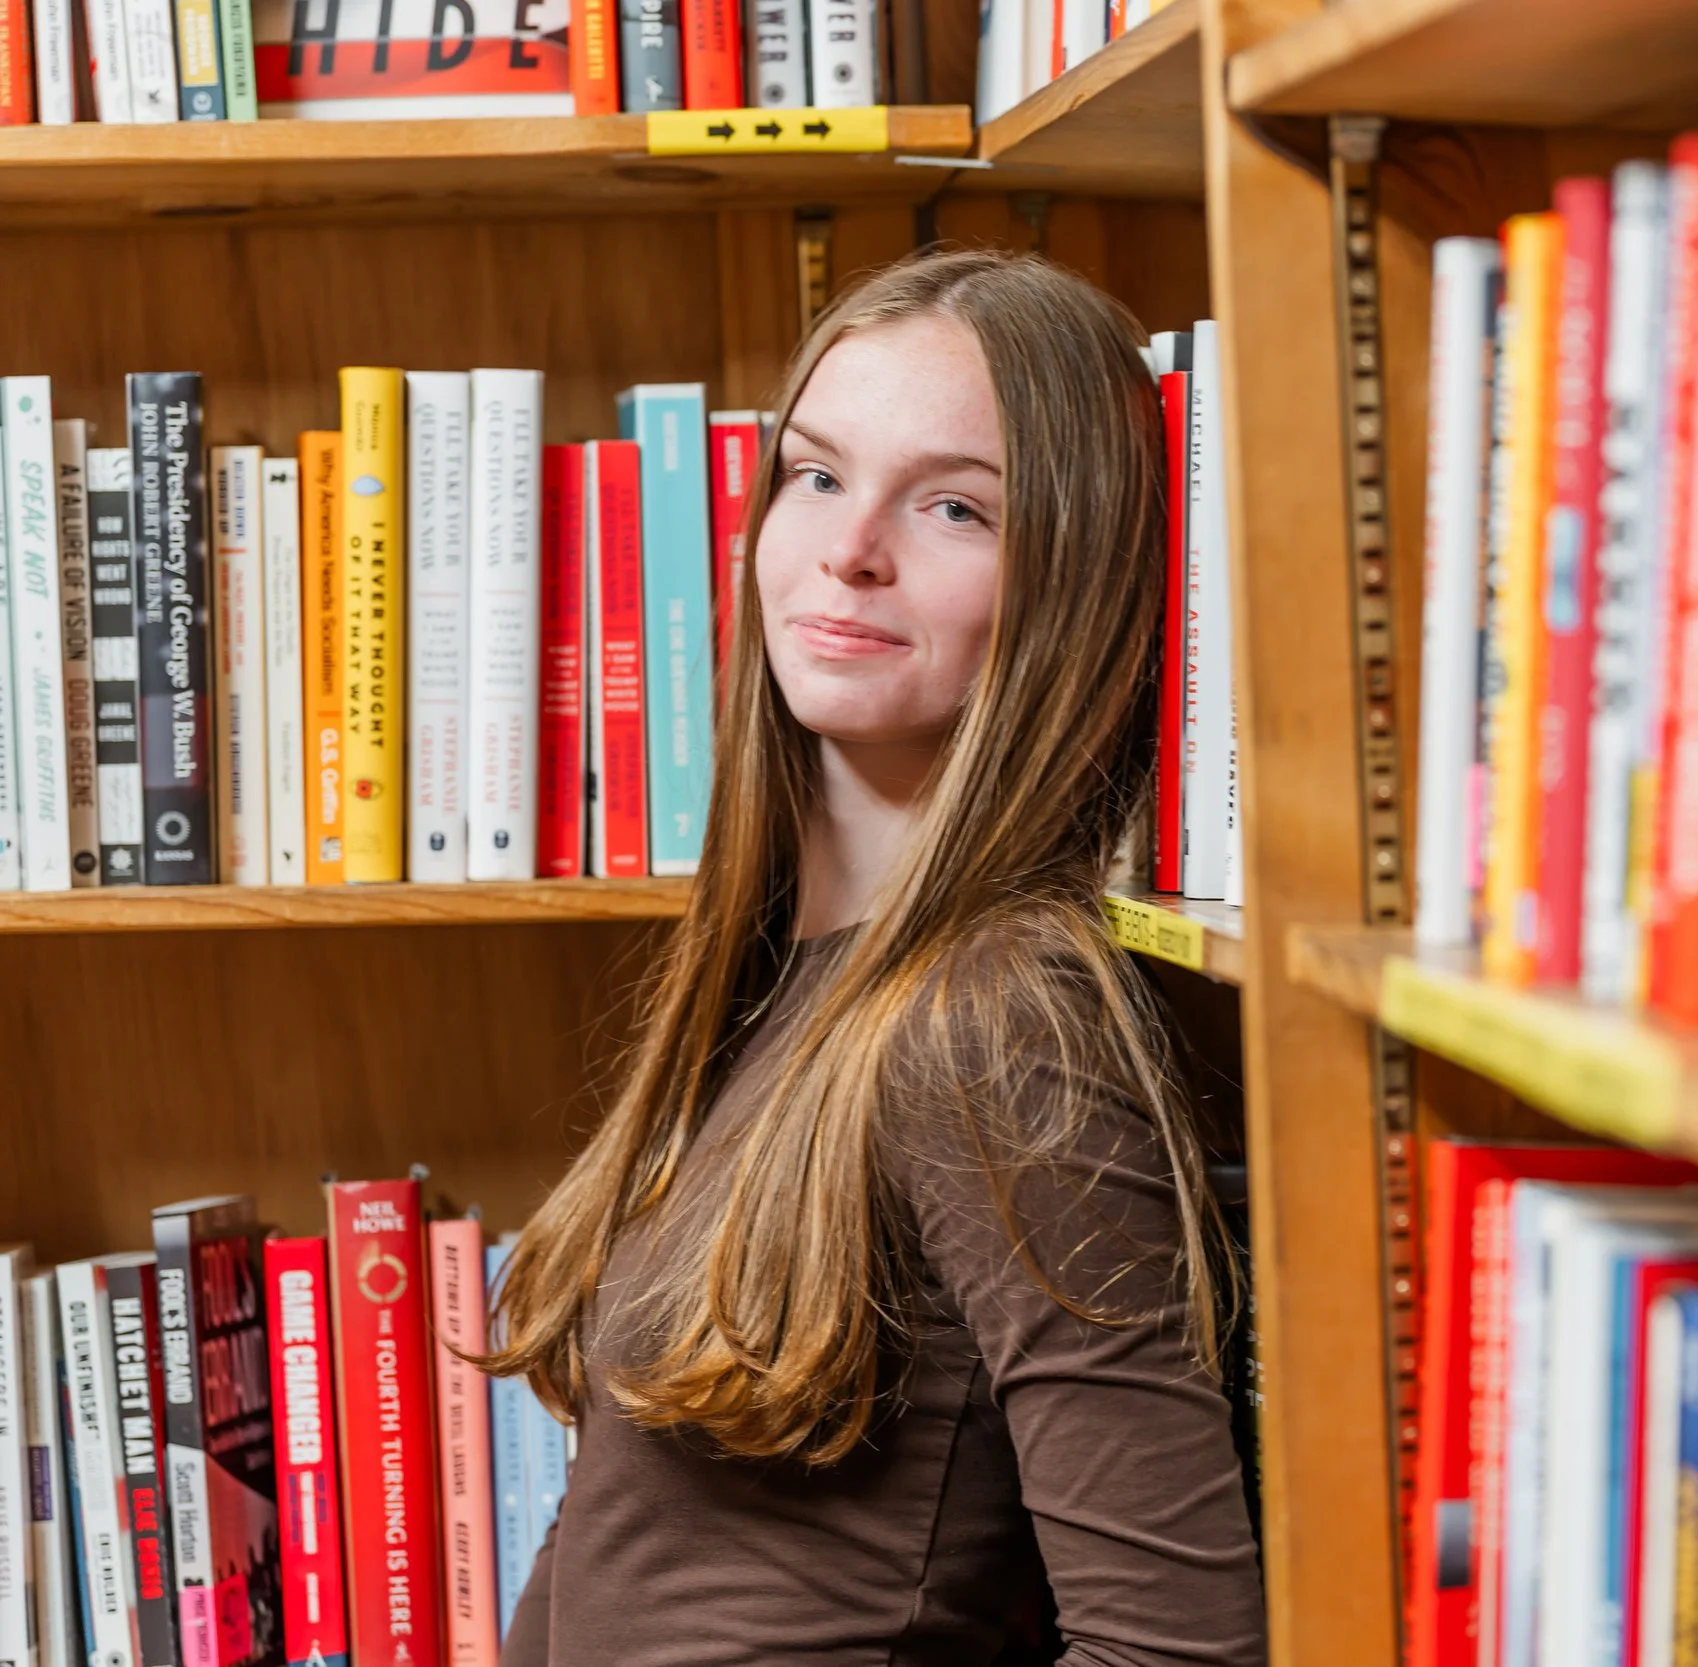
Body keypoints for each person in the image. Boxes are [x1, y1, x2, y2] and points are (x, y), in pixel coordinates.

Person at [486, 249, 1267, 1666]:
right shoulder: (781, 967)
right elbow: (619, 1544)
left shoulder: (997, 1020)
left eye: (955, 503)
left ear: (1074, 579)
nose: (852, 548)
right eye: (817, 475)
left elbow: (1182, 1644)